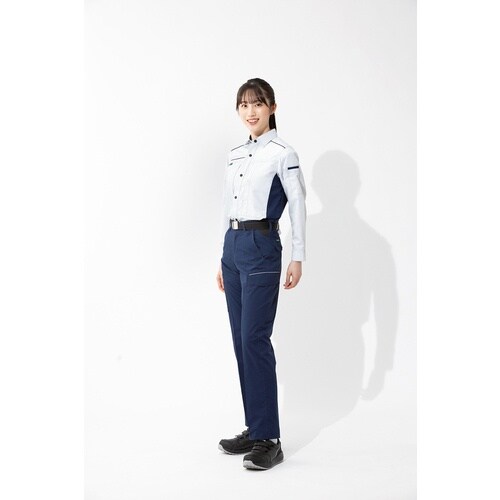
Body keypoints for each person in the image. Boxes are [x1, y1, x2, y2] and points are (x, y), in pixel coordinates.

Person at [216, 78, 307, 470]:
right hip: (233, 247)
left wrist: (298, 256)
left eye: (257, 103)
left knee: (255, 338)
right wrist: (221, 257)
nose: (250, 111)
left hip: (262, 246)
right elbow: (227, 204)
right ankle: (255, 428)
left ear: (272, 107)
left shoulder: (283, 153)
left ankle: (270, 438)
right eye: (244, 105)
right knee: (241, 341)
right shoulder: (236, 154)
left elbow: (298, 203)